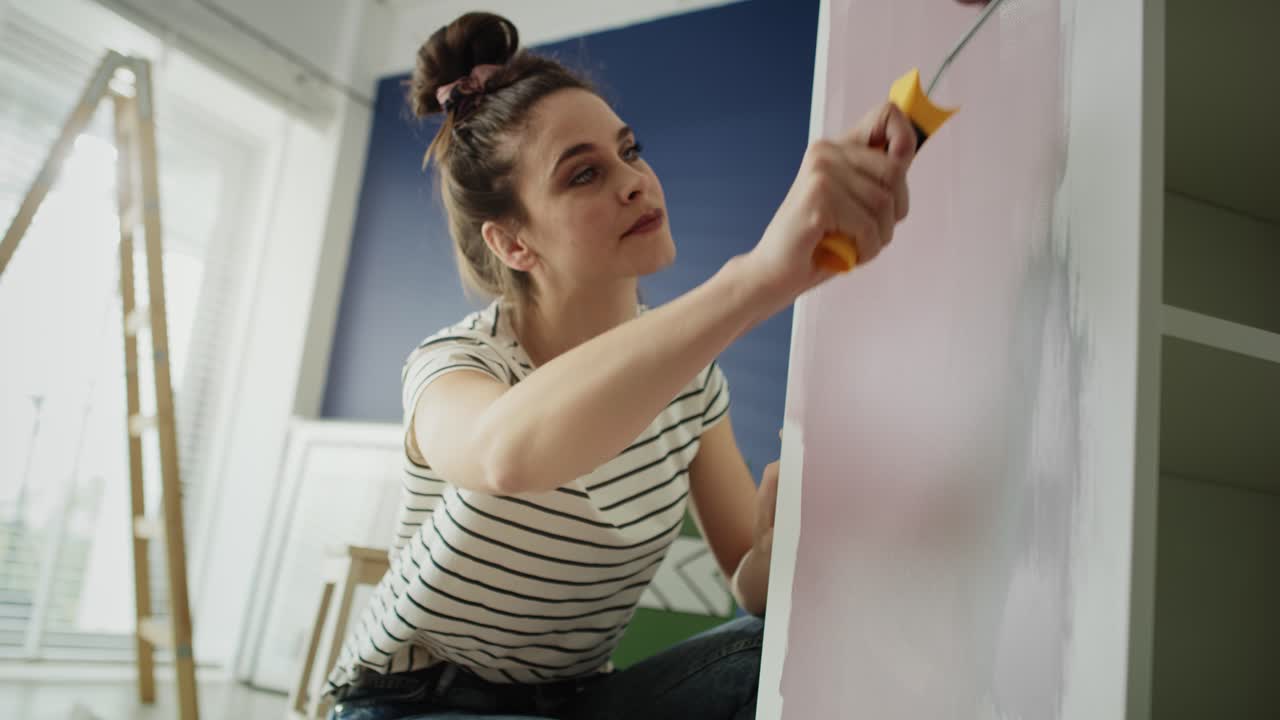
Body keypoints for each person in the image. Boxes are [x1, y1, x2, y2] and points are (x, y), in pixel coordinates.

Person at [324, 11, 916, 720]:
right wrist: (758, 278)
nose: (634, 182)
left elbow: (754, 591)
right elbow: (507, 453)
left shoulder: (692, 386)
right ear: (512, 242)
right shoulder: (458, 362)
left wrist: (787, 535)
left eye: (630, 151)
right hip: (420, 703)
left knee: (779, 651)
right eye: (584, 175)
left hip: (576, 703)